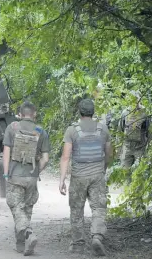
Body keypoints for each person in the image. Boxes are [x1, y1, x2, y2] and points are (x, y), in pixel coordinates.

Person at [59, 99, 113, 256]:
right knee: (98, 208)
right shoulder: (103, 129)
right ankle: (96, 236)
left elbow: (65, 157)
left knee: (76, 210)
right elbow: (109, 153)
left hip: (78, 176)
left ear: (80, 112)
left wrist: (62, 179)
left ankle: (78, 245)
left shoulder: (72, 130)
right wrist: (103, 168)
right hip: (97, 175)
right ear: (93, 112)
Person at [2, 101, 50, 256]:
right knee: (27, 208)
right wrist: (37, 171)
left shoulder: (12, 128)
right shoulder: (40, 131)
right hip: (31, 177)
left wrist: (5, 173)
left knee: (16, 207)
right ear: (34, 114)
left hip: (15, 175)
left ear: (20, 114)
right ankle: (20, 244)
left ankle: (28, 233)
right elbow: (46, 158)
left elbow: (6, 152)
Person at [118, 92, 150, 169]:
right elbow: (120, 130)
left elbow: (149, 131)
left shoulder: (145, 113)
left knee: (139, 173)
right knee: (124, 172)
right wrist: (119, 149)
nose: (135, 101)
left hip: (140, 148)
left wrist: (150, 148)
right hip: (127, 147)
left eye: (137, 99)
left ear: (140, 99)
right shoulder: (125, 112)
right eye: (133, 99)